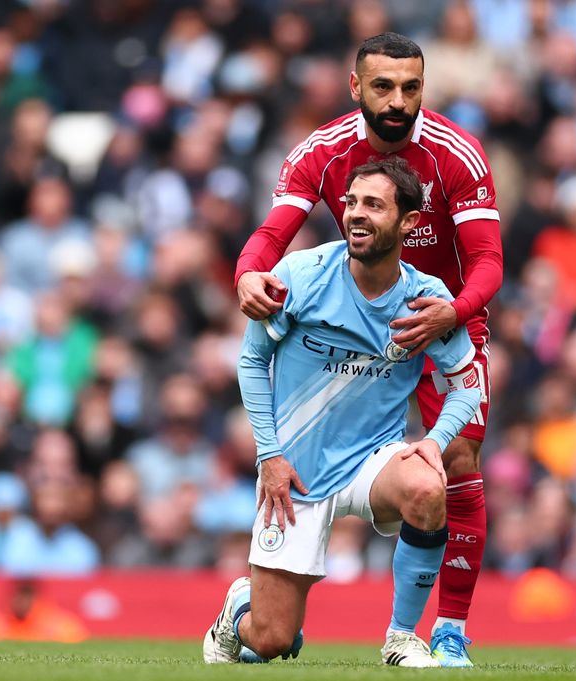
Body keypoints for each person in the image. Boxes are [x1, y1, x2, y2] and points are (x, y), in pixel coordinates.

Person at [234, 32, 502, 667]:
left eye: (411, 87)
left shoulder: (457, 153)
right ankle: (259, 608)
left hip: (440, 314)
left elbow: (488, 263)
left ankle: (446, 630)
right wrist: (247, 273)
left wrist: (452, 313)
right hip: (355, 309)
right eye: (383, 86)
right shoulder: (321, 152)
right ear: (356, 87)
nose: (398, 100)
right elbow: (273, 235)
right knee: (271, 639)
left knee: (456, 455)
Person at [203, 158, 482, 668]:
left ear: (409, 223)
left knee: (426, 486)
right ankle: (237, 610)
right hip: (297, 473)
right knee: (271, 642)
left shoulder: (425, 299)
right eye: (351, 202)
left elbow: (468, 387)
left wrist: (434, 441)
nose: (356, 214)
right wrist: (269, 456)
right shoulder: (302, 275)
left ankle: (401, 637)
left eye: (373, 205)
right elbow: (250, 360)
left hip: (371, 462)